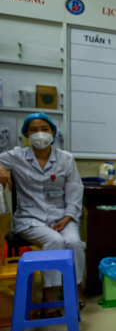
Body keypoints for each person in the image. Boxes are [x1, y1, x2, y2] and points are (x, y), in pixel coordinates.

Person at [0, 113, 85, 317]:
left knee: (74, 243)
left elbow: (75, 189)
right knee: (55, 241)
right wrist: (1, 168)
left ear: (53, 133)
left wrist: (67, 217)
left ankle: (76, 289)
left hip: (63, 216)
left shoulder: (66, 158)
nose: (39, 134)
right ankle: (49, 297)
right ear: (26, 134)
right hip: (30, 218)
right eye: (33, 129)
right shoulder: (17, 156)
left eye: (45, 129)